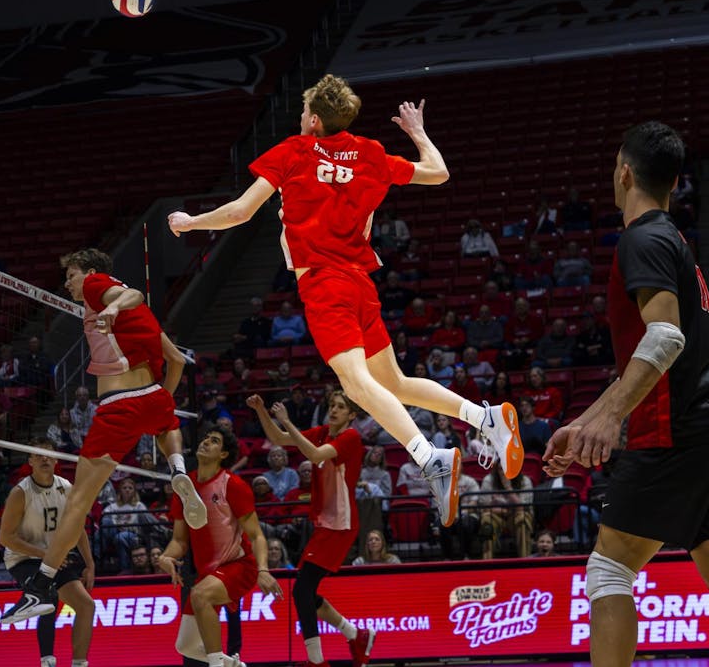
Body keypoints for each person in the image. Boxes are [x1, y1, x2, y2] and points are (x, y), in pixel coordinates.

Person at [168, 76, 523, 529]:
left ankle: (428, 456)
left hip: (324, 284)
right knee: (392, 382)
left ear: (314, 120)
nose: (300, 119)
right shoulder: (370, 153)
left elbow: (240, 212)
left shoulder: (294, 151)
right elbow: (438, 172)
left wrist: (190, 221)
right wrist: (417, 132)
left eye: (303, 112)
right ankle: (485, 417)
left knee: (355, 385)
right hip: (359, 282)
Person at [542, 122, 709, 667]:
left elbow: (665, 338)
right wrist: (586, 419)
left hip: (673, 432)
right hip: (698, 429)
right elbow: (651, 355)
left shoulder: (642, 239)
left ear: (624, 174)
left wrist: (610, 419)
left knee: (610, 569)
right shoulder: (675, 242)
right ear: (675, 182)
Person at [3, 248, 206, 623]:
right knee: (166, 424)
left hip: (118, 404)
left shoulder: (97, 286)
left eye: (71, 275)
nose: (68, 283)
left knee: (78, 503)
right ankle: (177, 468)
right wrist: (161, 399)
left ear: (91, 272)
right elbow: (177, 360)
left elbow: (133, 295)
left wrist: (111, 307)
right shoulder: (143, 318)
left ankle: (40, 587)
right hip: (152, 395)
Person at [248, 391, 375, 667]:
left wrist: (287, 420)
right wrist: (262, 411)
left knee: (302, 590)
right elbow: (279, 439)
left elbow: (314, 454)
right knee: (305, 591)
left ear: (352, 414)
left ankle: (317, 660)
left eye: (340, 407)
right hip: (326, 521)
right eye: (331, 405)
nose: (334, 410)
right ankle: (356, 635)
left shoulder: (351, 437)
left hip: (340, 522)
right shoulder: (323, 432)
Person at [158, 423, 281, 667]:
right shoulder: (184, 487)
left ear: (223, 454)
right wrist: (166, 556)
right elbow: (180, 541)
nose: (206, 442)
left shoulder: (232, 484)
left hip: (239, 565)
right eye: (206, 438)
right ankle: (234, 665)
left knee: (200, 595)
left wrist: (263, 570)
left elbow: (257, 535)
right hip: (208, 574)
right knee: (185, 646)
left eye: (214, 441)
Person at [0, 437, 94, 667]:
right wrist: (44, 554)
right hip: (24, 559)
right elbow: (6, 538)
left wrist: (89, 564)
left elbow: (78, 528)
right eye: (38, 455)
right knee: (48, 595)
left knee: (86, 606)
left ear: (56, 460)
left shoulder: (66, 487)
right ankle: (47, 661)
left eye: (49, 454)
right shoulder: (20, 492)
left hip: (55, 558)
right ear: (30, 460)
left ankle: (79, 663)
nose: (44, 458)